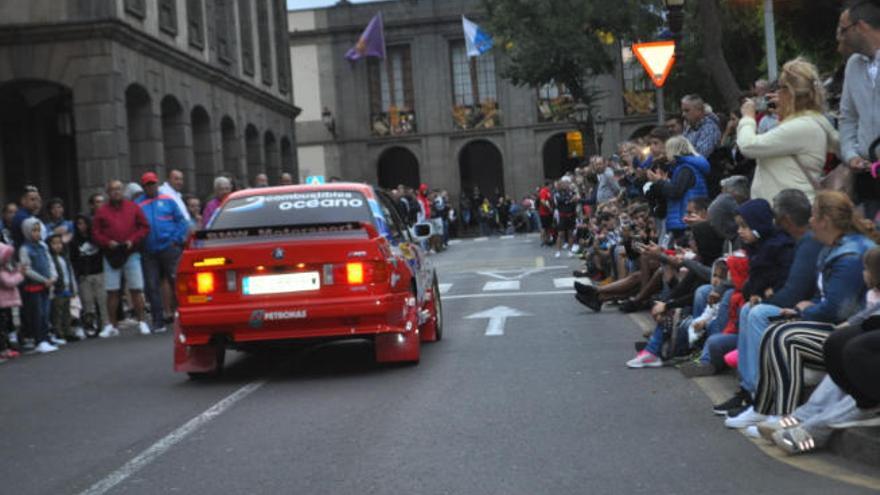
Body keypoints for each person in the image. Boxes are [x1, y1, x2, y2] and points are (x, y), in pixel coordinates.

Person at [724, 191, 879, 429]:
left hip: (846, 329)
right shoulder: (832, 247)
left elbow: (837, 310)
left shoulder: (850, 254)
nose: (810, 221)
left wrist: (803, 312)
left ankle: (781, 414)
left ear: (825, 221)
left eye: (814, 215)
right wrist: (803, 309)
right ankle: (763, 408)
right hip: (835, 326)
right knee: (775, 330)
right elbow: (821, 298)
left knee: (785, 336)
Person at [737, 57, 838, 204]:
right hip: (788, 209)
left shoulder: (803, 126)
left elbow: (748, 146)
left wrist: (747, 118)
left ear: (789, 92)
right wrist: (785, 112)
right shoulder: (813, 120)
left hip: (789, 213)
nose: (776, 93)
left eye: (780, 88)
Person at [91, 179, 151, 337]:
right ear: (108, 193)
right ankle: (112, 325)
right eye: (112, 189)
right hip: (112, 254)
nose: (116, 192)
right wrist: (107, 242)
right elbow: (96, 233)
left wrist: (133, 239)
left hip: (131, 252)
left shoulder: (133, 207)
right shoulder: (102, 211)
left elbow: (144, 227)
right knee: (112, 291)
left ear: (123, 190)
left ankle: (142, 322)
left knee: (136, 289)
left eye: (118, 189)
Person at [838, 0, 880, 221]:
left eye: (844, 30)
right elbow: (848, 118)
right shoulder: (853, 65)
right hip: (867, 176)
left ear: (861, 26)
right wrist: (851, 154)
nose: (840, 37)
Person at [136, 172, 189, 333]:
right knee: (151, 285)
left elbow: (181, 221)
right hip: (149, 250)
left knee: (176, 281)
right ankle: (158, 320)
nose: (151, 187)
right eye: (148, 184)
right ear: (144, 187)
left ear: (157, 184)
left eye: (153, 184)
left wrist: (176, 239)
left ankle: (183, 315)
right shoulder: (138, 204)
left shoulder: (168, 200)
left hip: (169, 247)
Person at [646, 136, 710, 242]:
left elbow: (676, 192)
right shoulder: (688, 167)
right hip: (685, 218)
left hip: (684, 219)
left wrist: (659, 181)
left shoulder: (685, 169)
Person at [18, 217, 58, 353]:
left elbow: (50, 261)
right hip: (35, 286)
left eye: (38, 230)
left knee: (46, 313)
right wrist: (43, 280)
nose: (37, 233)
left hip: (47, 285)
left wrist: (53, 276)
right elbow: (27, 269)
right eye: (34, 230)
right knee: (38, 314)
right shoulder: (24, 249)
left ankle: (47, 337)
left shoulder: (43, 246)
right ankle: (39, 340)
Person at [71, 214, 108, 337]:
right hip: (84, 275)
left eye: (84, 223)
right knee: (87, 302)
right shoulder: (74, 241)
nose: (82, 226)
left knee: (102, 300)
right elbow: (73, 259)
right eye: (79, 224)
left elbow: (103, 252)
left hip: (98, 271)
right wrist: (78, 273)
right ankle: (90, 325)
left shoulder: (96, 238)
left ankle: (105, 324)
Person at [48, 233, 80, 341]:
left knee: (67, 312)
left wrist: (73, 288)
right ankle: (58, 332)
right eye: (54, 244)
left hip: (67, 288)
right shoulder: (50, 259)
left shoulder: (64, 258)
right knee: (57, 312)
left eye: (59, 243)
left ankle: (67, 331)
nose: (58, 246)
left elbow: (70, 273)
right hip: (58, 290)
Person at [0, 241, 24, 360]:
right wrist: (20, 275)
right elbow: (9, 282)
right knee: (3, 327)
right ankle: (4, 349)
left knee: (9, 325)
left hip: (7, 303)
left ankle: (9, 346)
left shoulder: (6, 268)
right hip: (3, 302)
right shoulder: (2, 272)